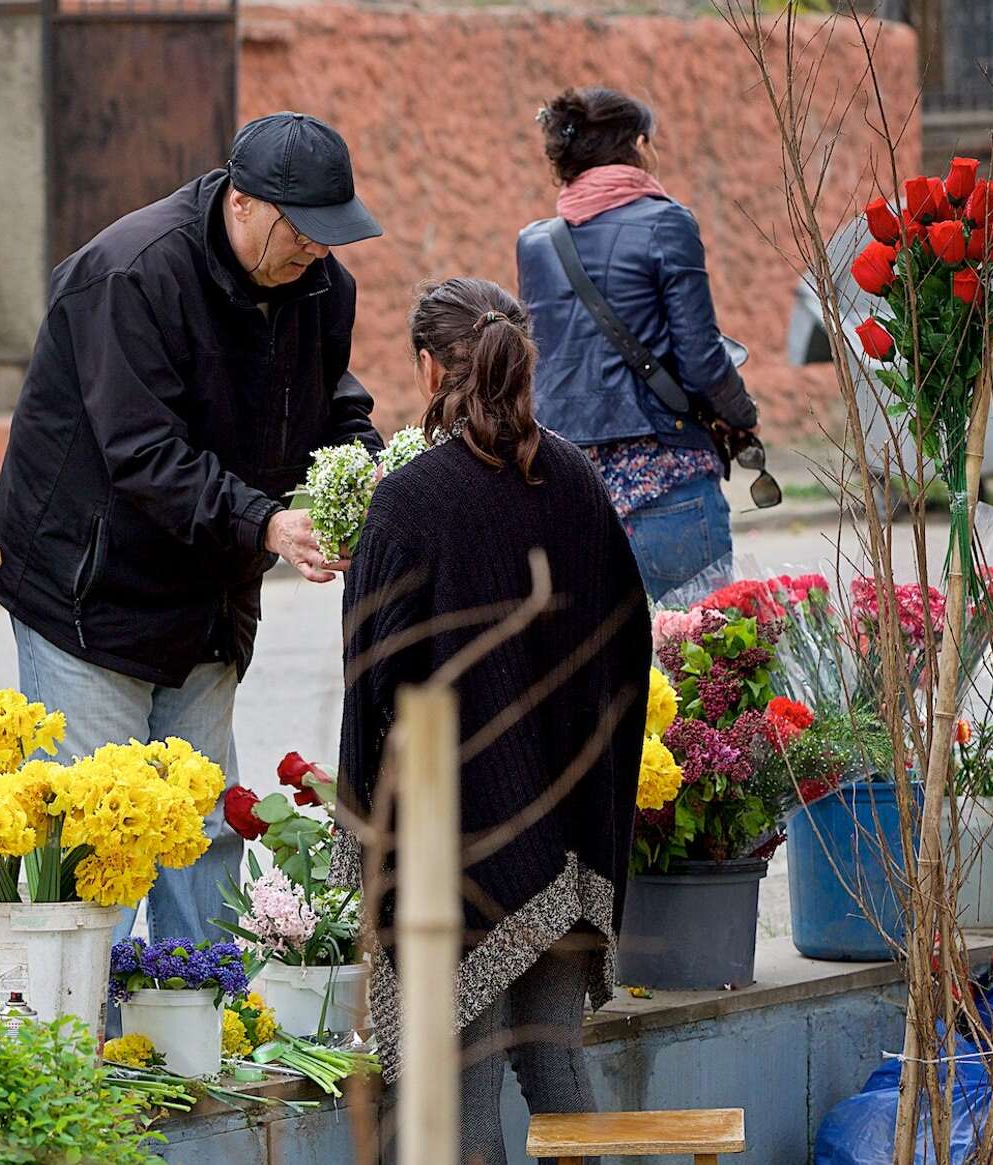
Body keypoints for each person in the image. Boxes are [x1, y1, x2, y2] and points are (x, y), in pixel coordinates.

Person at [0, 112, 384, 942]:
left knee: (203, 834)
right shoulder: (130, 274)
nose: (317, 250)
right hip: (85, 589)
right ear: (242, 203)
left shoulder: (319, 287)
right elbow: (144, 453)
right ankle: (81, 1048)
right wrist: (267, 524)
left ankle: (196, 1038)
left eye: (330, 236)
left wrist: (369, 479)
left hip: (206, 593)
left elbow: (331, 403)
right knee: (98, 843)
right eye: (302, 231)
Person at [335, 278, 651, 1165]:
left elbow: (374, 684)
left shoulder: (407, 502)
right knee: (556, 1073)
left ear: (428, 367)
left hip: (455, 860)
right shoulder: (578, 480)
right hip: (565, 846)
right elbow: (630, 646)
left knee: (459, 1099)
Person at [517, 86, 759, 601]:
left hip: (570, 495)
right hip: (667, 480)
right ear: (639, 145)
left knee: (592, 673)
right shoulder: (667, 222)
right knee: (702, 664)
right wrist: (741, 413)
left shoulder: (534, 244)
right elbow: (701, 361)